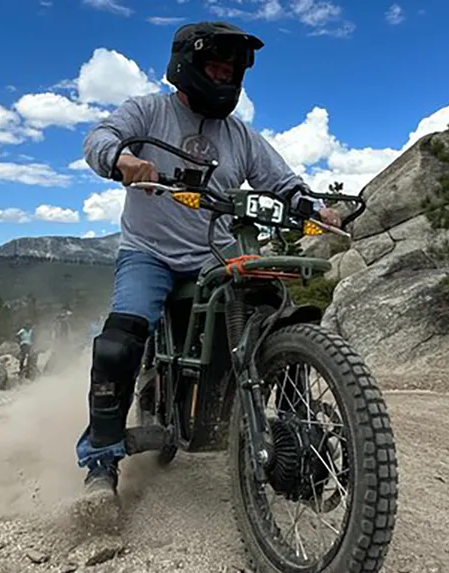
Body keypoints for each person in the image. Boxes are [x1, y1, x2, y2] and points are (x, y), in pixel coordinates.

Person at [74, 20, 342, 512]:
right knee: (119, 342)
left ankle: (294, 433)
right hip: (149, 252)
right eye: (215, 67)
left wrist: (311, 206)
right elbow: (100, 137)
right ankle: (101, 464)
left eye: (231, 70)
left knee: (275, 308)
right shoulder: (148, 110)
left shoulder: (240, 136)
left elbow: (283, 181)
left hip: (217, 253)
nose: (223, 77)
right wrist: (122, 159)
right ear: (187, 66)